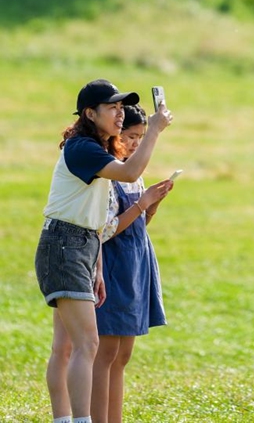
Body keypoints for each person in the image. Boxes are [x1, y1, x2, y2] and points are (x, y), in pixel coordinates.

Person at [35, 79, 172, 423]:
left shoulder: (97, 148)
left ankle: (67, 420)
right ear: (90, 113)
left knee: (74, 346)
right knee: (87, 344)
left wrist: (96, 266)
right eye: (112, 107)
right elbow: (130, 172)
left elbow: (96, 216)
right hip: (65, 244)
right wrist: (154, 129)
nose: (120, 114)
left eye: (121, 107)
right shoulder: (82, 148)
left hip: (82, 245)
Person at [91, 104, 173, 423]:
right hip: (113, 268)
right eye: (131, 136)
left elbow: (138, 225)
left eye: (141, 136)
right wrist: (142, 204)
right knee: (107, 353)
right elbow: (107, 230)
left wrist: (152, 206)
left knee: (123, 355)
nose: (136, 143)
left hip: (136, 266)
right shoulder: (110, 176)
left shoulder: (134, 175)